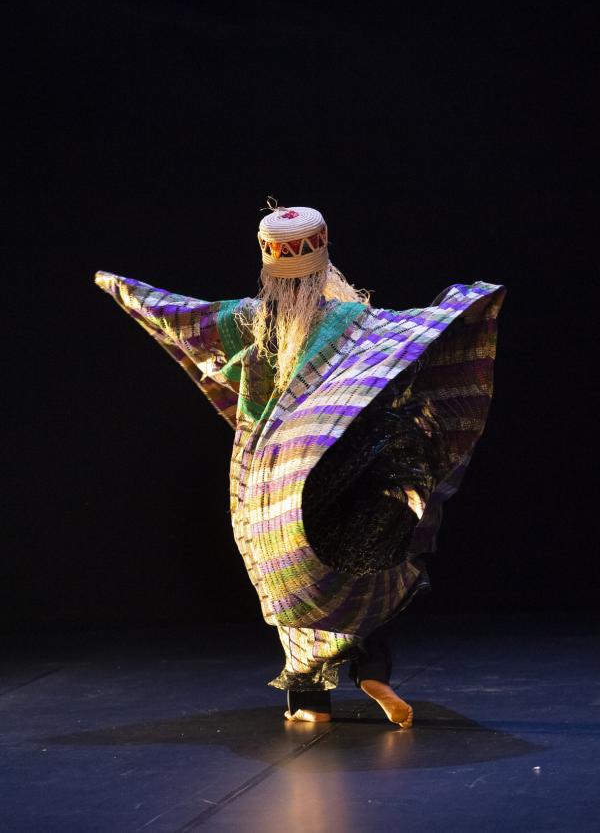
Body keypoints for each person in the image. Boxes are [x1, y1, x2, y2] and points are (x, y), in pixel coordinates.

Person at [94, 199, 506, 728]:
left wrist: (124, 288)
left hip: (279, 477)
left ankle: (310, 701)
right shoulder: (354, 319)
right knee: (361, 568)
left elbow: (182, 316)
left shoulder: (247, 320)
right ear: (324, 261)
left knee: (287, 573)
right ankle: (372, 668)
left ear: (268, 268)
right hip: (354, 466)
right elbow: (404, 349)